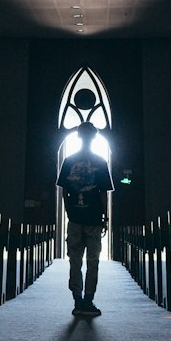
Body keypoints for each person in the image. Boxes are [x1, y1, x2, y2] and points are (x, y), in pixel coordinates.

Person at [57, 121, 112, 317]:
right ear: (94, 137)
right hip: (94, 218)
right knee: (93, 261)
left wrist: (68, 212)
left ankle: (78, 299)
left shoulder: (69, 161)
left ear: (79, 136)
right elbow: (103, 194)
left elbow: (64, 192)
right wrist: (105, 217)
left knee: (75, 260)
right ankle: (88, 299)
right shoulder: (100, 162)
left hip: (75, 217)